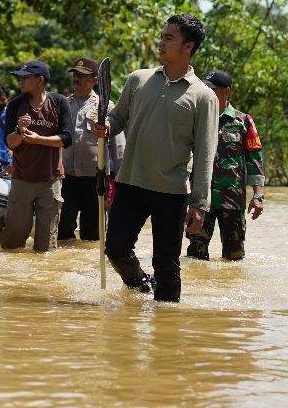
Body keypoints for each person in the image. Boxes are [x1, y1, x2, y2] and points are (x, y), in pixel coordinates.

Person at [91, 15, 218, 303]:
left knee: (167, 266)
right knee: (115, 249)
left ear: (188, 46)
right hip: (131, 182)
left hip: (171, 192)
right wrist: (105, 127)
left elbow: (205, 154)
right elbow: (117, 118)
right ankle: (139, 284)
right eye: (161, 36)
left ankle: (167, 331)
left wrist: (199, 205)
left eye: (169, 38)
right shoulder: (139, 79)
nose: (161, 42)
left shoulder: (203, 96)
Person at [186, 69, 265, 261]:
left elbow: (255, 159)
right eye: (205, 87)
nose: (207, 91)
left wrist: (258, 195)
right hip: (201, 201)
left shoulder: (243, 121)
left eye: (212, 88)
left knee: (234, 260)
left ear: (226, 91)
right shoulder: (196, 118)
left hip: (232, 201)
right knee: (195, 258)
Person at [0, 60, 73, 253]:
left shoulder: (59, 102)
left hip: (51, 179)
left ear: (40, 80)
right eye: (20, 78)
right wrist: (20, 131)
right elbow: (9, 142)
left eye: (26, 78)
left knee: (46, 246)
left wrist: (39, 139)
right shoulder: (15, 104)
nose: (21, 82)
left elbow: (66, 139)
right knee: (13, 242)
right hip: (21, 178)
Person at [59, 58, 123, 243]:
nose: (76, 79)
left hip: (95, 179)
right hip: (66, 178)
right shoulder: (63, 105)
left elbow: (118, 146)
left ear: (95, 80)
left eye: (82, 75)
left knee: (92, 235)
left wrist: (120, 180)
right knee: (63, 230)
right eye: (75, 75)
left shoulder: (106, 106)